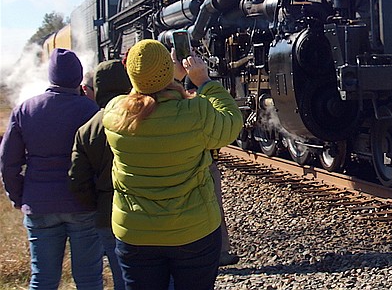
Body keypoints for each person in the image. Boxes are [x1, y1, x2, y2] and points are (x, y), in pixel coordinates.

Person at [102, 39, 243, 290]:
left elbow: (144, 96)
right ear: (168, 71)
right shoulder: (196, 112)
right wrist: (204, 82)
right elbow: (231, 122)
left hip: (136, 232)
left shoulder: (114, 115)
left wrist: (166, 79)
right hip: (193, 231)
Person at [0, 48, 104, 290]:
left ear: (51, 76)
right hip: (83, 204)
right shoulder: (91, 111)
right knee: (89, 279)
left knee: (43, 279)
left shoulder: (25, 110)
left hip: (39, 204)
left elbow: (8, 162)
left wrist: (17, 196)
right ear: (79, 78)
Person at [69, 60, 132, 290]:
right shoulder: (144, 116)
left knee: (122, 279)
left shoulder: (87, 130)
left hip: (107, 214)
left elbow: (78, 181)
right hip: (146, 212)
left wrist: (97, 206)